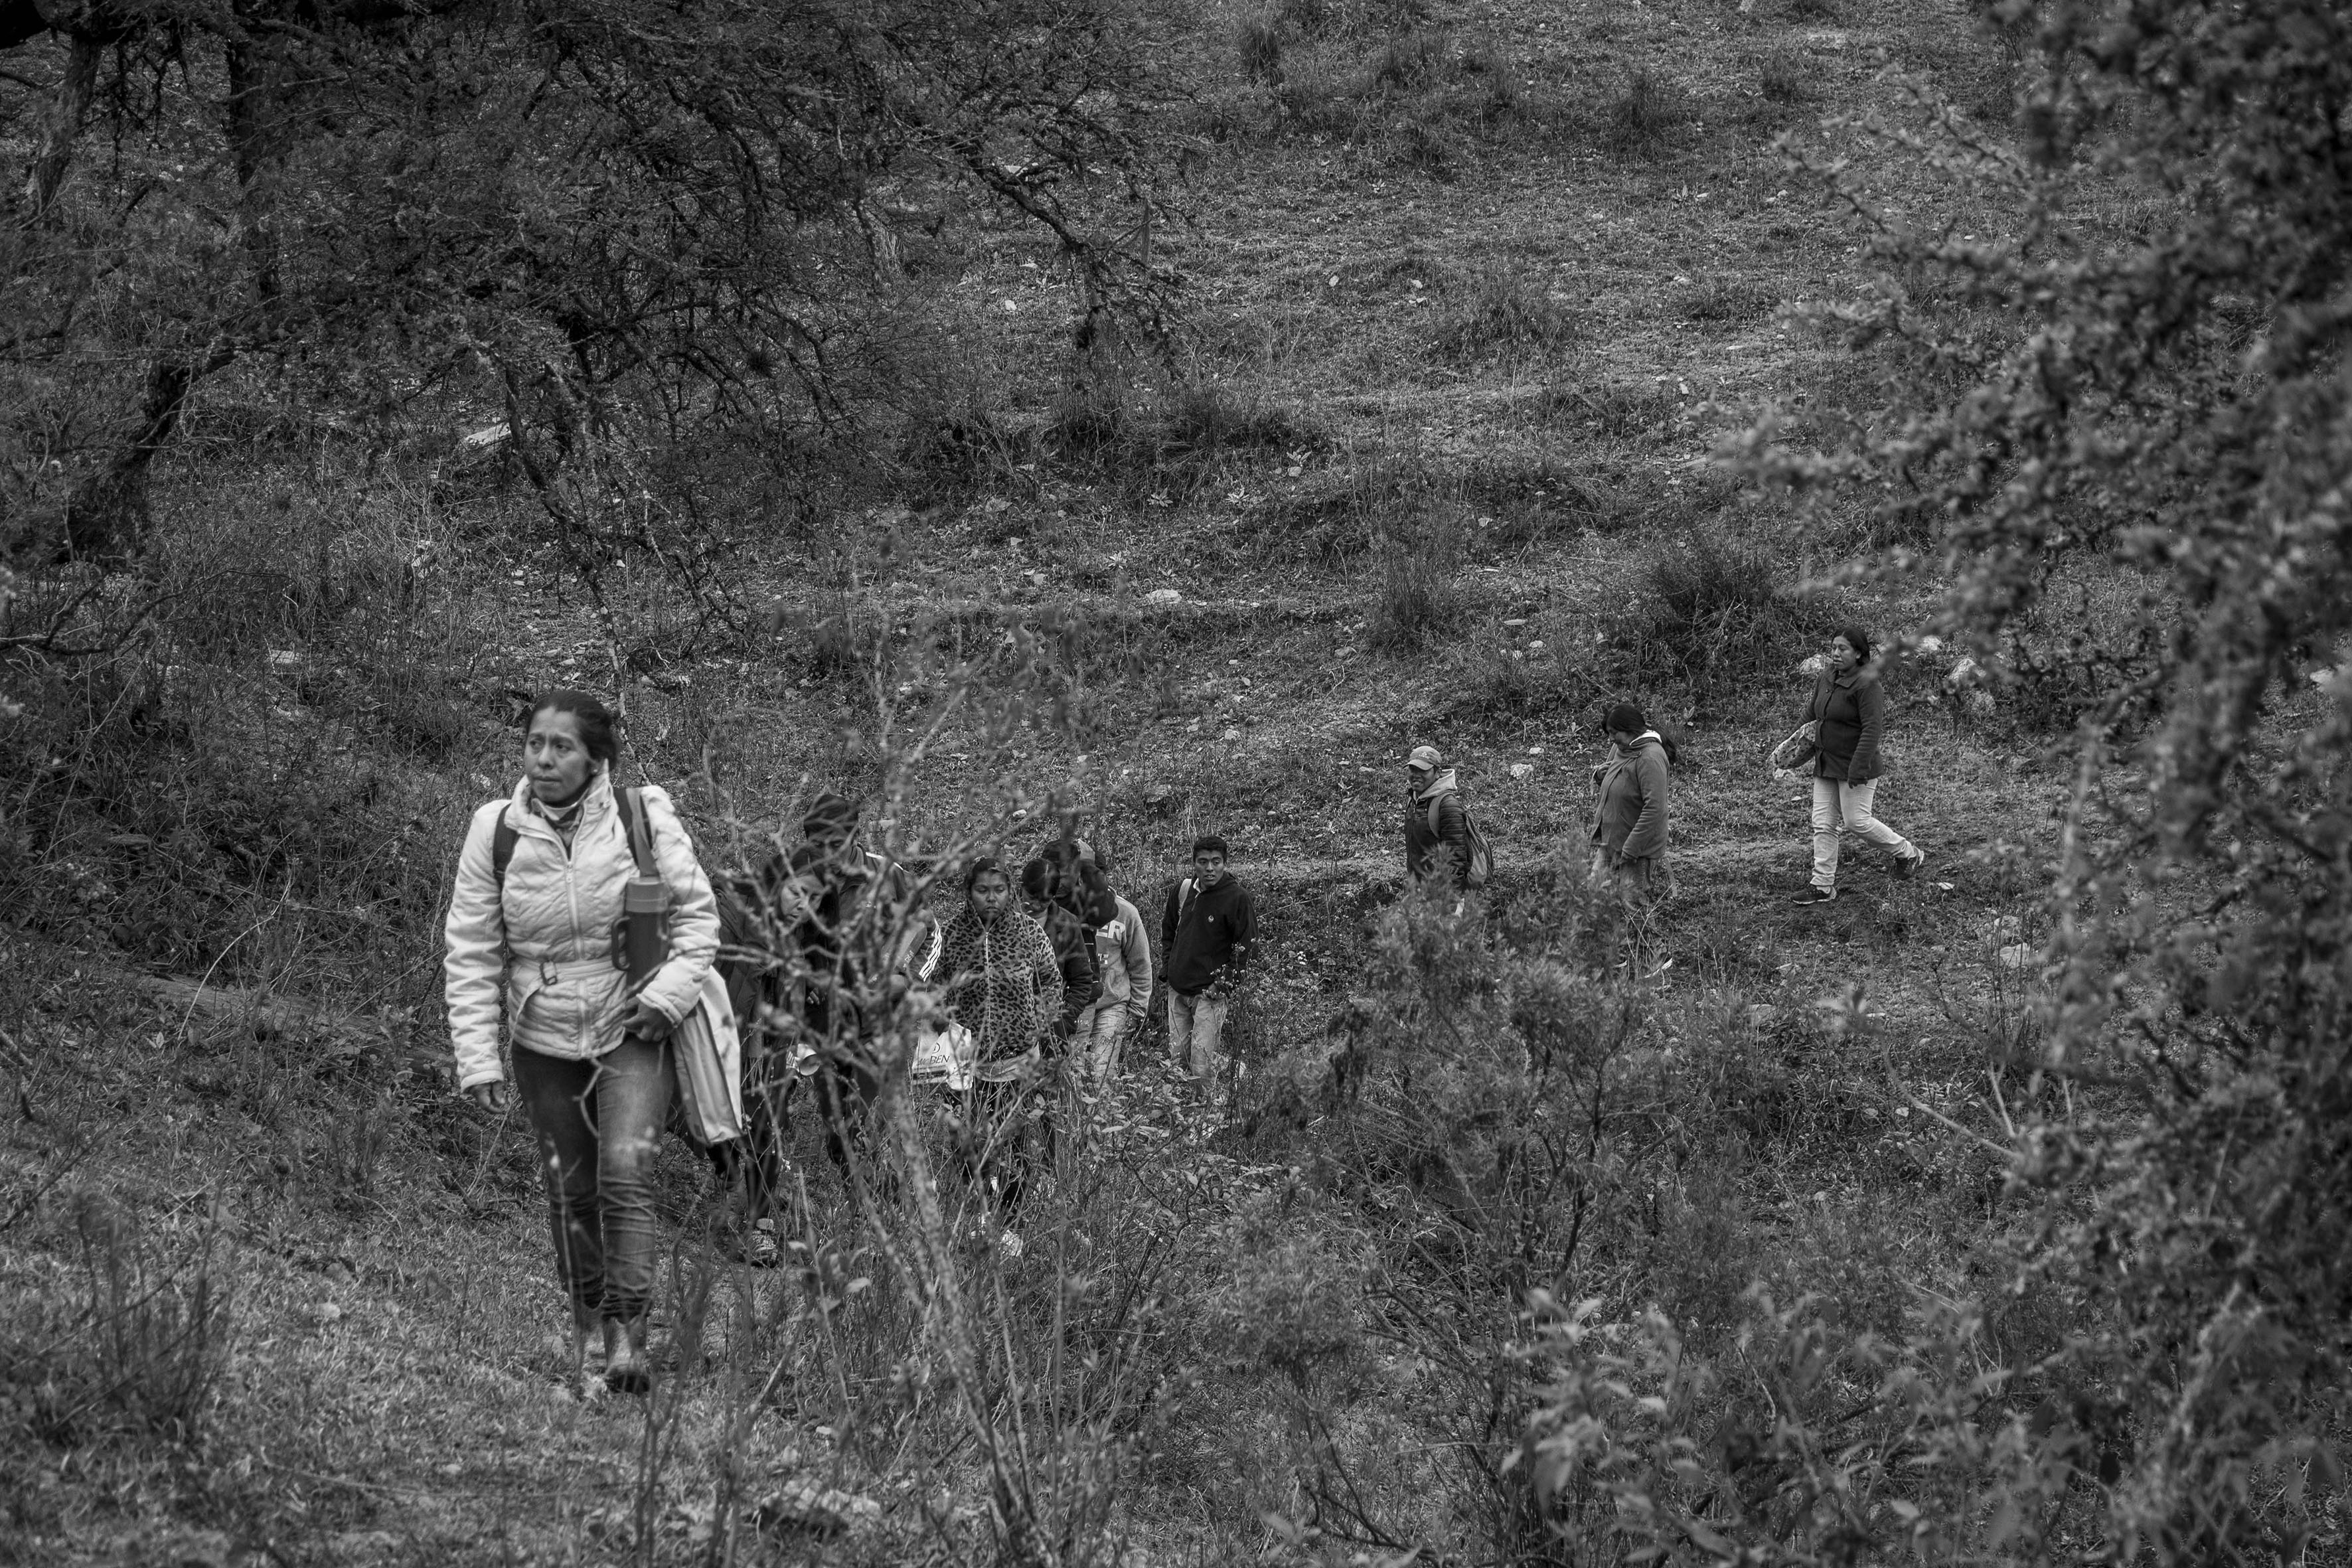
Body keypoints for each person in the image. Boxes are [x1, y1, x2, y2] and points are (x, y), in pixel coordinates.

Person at [443, 690, 720, 1394]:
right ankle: (589, 1333)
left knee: (627, 1172)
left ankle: (631, 1336)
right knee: (572, 1190)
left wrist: (663, 1000)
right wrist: (477, 1056)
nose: (543, 758)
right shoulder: (495, 829)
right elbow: (473, 948)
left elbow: (698, 921)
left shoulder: (641, 815)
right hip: (542, 1036)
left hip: (633, 1024)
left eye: (560, 746)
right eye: (535, 742)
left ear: (596, 757)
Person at [935, 858, 1062, 1253]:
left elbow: (1052, 983)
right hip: (966, 1064)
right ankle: (982, 1215)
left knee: (1020, 1145)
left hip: (1019, 1062)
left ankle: (1012, 1225)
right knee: (969, 1145)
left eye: (999, 890)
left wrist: (1037, 1028)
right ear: (968, 892)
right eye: (982, 891)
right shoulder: (953, 936)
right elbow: (934, 991)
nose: (991, 899)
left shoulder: (1028, 933)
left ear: (1010, 892)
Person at [1795, 627, 1928, 903]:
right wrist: (1791, 747)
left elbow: (1872, 730)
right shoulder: (1827, 677)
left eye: (1842, 649)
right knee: (1823, 823)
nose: (1835, 654)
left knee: (1856, 822)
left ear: (1858, 653)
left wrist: (1857, 767)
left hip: (1856, 764)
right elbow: (1811, 714)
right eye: (1833, 648)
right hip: (1826, 762)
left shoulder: (1868, 684)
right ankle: (1822, 885)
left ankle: (1908, 853)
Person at [1158, 835, 1255, 1081]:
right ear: (1194, 863)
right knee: (1176, 1064)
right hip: (1178, 991)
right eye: (1203, 862)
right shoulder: (1183, 891)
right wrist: (1169, 968)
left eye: (1216, 862)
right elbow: (1168, 932)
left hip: (1209, 997)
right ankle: (1179, 1118)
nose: (1209, 868)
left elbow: (1248, 948)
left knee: (1202, 1068)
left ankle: (1207, 1116)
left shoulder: (1236, 898)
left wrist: (1222, 984)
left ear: (1225, 863)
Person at [1071, 844, 1154, 1081]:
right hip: (1078, 1004)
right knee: (1073, 1073)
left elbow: (1141, 964)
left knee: (1101, 1073)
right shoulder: (1067, 913)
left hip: (1112, 1004)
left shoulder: (1126, 913)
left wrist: (1137, 1010)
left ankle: (1102, 1117)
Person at [1589, 702, 1672, 903]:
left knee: (1633, 903)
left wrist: (1632, 848)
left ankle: (1646, 935)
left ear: (1630, 729)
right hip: (1611, 839)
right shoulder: (1622, 747)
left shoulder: (1650, 757)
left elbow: (1655, 808)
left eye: (1614, 732)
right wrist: (1601, 775)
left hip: (1634, 847)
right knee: (1593, 893)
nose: (1611, 738)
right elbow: (1617, 779)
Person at [1020, 855, 1102, 1041]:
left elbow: (1082, 979)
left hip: (1051, 1030)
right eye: (1031, 897)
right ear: (1021, 887)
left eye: (1044, 901)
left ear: (1054, 896)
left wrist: (1064, 1020)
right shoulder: (1003, 920)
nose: (1035, 905)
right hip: (1010, 1030)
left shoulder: (1068, 924)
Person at [1403, 745, 1471, 890]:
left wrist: (1450, 903)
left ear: (1437, 773)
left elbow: (1456, 861)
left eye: (1423, 770)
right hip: (1418, 892)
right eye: (1413, 770)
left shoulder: (1448, 807)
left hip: (1440, 897)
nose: (1416, 775)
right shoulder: (1415, 800)